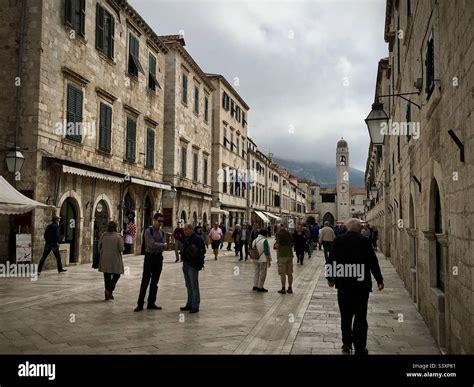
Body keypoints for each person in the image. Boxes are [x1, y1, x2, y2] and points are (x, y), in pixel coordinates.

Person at [326, 218, 384, 355]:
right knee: (360, 317)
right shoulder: (364, 241)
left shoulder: (338, 240)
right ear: (359, 229)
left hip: (344, 285)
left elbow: (331, 260)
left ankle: (346, 343)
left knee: (345, 316)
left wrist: (330, 278)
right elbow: (373, 262)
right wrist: (379, 279)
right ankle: (359, 348)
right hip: (361, 286)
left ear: (347, 228)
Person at [134, 213, 167, 312]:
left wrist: (161, 245)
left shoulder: (162, 232)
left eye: (162, 221)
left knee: (155, 282)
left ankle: (151, 302)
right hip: (150, 257)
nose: (160, 223)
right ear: (154, 220)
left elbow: (163, 244)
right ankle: (140, 304)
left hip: (158, 258)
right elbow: (151, 244)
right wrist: (162, 245)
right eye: (159, 221)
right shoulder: (149, 231)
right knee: (145, 281)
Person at [180, 224, 206, 313]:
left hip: (193, 264)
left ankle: (195, 305)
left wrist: (196, 256)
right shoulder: (185, 238)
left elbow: (203, 250)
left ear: (191, 229)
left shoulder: (197, 239)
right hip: (186, 263)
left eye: (186, 230)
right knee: (188, 285)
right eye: (184, 230)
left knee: (194, 285)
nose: (185, 231)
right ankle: (189, 304)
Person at [98, 221, 124, 301]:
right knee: (117, 275)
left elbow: (99, 246)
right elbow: (121, 248)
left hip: (105, 258)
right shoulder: (118, 236)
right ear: (116, 227)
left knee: (107, 276)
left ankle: (108, 294)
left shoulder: (103, 235)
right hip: (115, 258)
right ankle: (109, 290)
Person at [276, 225, 294, 294]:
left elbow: (278, 245)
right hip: (290, 254)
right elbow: (292, 244)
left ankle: (283, 288)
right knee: (290, 273)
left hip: (282, 255)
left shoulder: (279, 235)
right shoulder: (289, 234)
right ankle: (290, 287)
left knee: (282, 273)